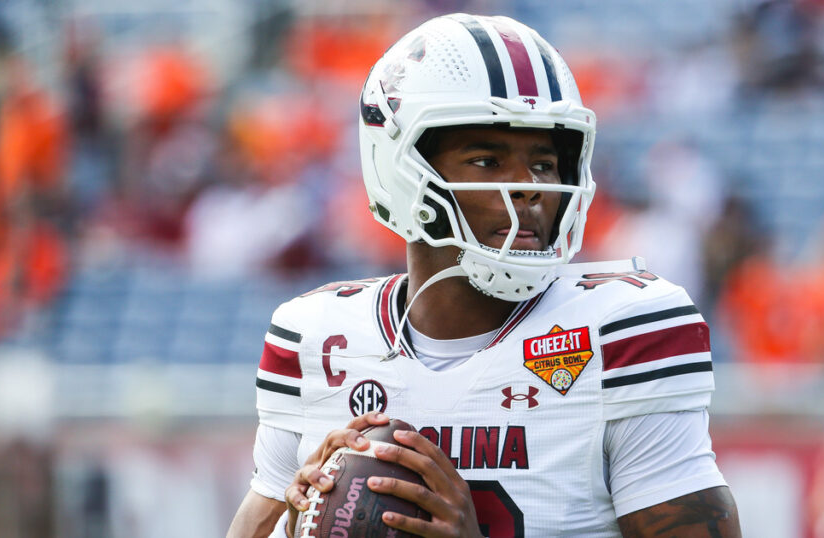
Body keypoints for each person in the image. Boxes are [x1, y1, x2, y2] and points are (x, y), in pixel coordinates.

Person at [227, 13, 740, 538]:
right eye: (487, 159)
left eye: (543, 164)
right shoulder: (316, 338)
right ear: (400, 169)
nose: (529, 187)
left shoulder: (624, 331)